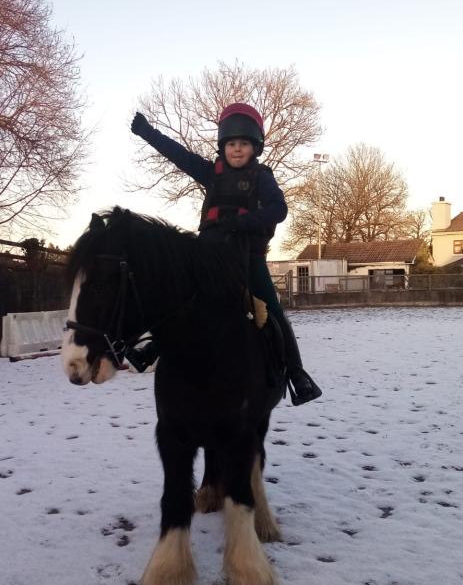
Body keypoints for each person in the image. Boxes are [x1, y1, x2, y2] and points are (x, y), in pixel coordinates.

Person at [129, 103, 321, 405]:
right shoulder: (211, 173)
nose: (237, 149)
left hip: (247, 258)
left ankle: (297, 375)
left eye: (244, 143)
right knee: (182, 300)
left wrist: (241, 223)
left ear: (254, 147)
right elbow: (178, 154)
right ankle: (154, 347)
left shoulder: (261, 177)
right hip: (208, 255)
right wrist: (147, 132)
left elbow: (278, 209)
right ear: (223, 146)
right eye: (231, 143)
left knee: (272, 309)